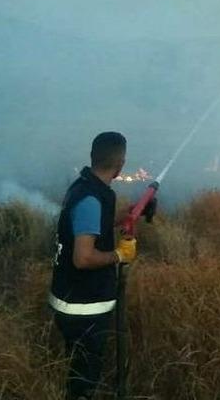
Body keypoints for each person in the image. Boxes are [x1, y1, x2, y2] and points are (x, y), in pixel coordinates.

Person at [48, 132, 138, 400]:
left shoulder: (83, 187)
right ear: (120, 164)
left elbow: (88, 226)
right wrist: (119, 255)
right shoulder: (92, 199)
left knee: (77, 365)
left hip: (69, 299)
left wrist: (127, 216)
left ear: (93, 157)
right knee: (85, 378)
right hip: (83, 306)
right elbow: (83, 258)